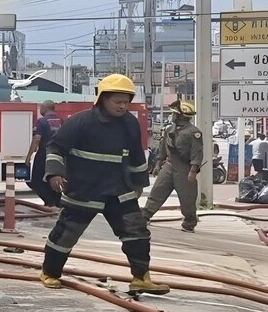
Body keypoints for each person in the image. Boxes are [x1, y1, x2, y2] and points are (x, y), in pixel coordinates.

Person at [39, 74, 169, 294]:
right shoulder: (80, 122)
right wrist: (54, 174)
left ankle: (141, 277)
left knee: (136, 233)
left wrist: (139, 183)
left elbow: (136, 155)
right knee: (66, 234)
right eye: (117, 101)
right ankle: (49, 272)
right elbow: (55, 148)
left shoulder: (130, 123)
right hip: (84, 189)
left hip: (119, 190)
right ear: (102, 99)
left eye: (126, 102)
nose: (122, 106)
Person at [142, 100, 204, 233]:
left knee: (187, 198)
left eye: (175, 113)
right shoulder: (170, 130)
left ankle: (189, 222)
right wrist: (158, 163)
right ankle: (145, 216)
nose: (172, 115)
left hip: (184, 168)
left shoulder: (194, 132)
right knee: (157, 191)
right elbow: (163, 147)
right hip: (169, 165)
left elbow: (197, 151)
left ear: (182, 116)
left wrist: (193, 169)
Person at [24, 101, 62, 207]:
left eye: (41, 107)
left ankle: (50, 202)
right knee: (52, 178)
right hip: (58, 155)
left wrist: (28, 156)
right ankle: (57, 202)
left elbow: (37, 139)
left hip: (44, 154)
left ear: (46, 108)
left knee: (36, 180)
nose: (40, 109)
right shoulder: (60, 121)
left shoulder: (41, 121)